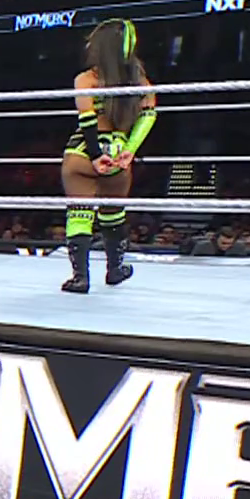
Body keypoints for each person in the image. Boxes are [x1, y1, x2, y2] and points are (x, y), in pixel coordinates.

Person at [62, 19, 158, 293]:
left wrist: (94, 156)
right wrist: (129, 150)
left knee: (79, 214)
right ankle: (115, 269)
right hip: (118, 153)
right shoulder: (140, 83)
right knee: (113, 214)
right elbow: (149, 116)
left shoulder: (86, 79)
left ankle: (80, 277)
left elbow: (87, 120)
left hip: (82, 152)